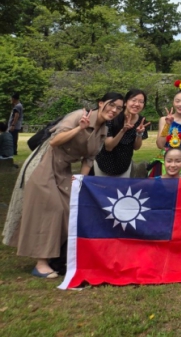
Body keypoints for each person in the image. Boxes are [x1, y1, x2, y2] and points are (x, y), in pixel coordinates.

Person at [16, 93, 124, 278]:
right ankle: (40, 263)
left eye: (119, 108)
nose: (114, 110)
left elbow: (89, 159)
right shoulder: (79, 116)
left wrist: (80, 183)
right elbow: (54, 141)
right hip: (44, 163)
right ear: (100, 103)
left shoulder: (103, 130)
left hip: (63, 169)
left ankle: (55, 256)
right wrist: (79, 128)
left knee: (68, 209)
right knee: (52, 210)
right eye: (111, 105)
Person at [94, 89, 149, 177]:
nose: (137, 104)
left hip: (124, 167)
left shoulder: (141, 122)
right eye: (133, 100)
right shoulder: (113, 116)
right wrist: (123, 130)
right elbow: (109, 147)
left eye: (141, 102)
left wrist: (139, 134)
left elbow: (136, 147)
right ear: (125, 102)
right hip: (103, 164)